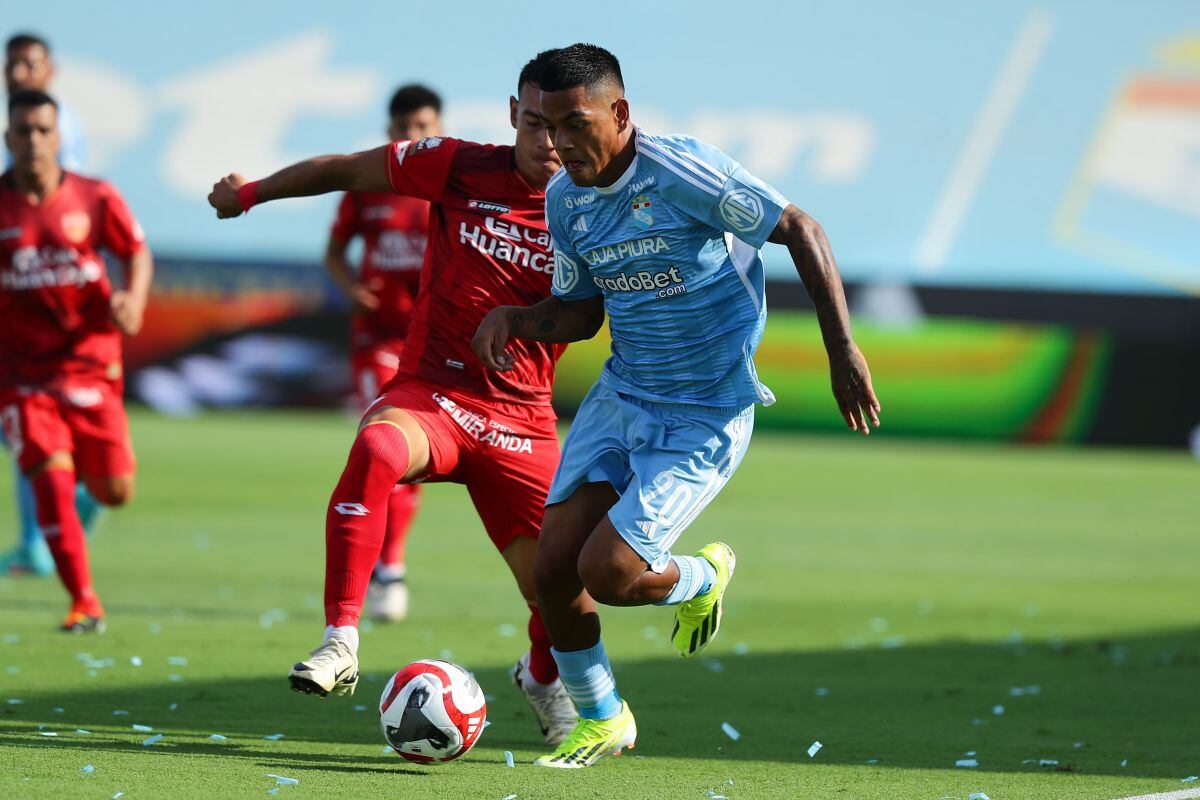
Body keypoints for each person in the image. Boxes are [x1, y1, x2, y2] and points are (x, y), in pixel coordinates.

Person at [472, 43, 882, 768]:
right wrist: (518, 316)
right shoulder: (566, 200)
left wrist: (842, 351)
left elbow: (803, 231)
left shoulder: (683, 170)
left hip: (704, 412)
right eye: (545, 126)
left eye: (575, 123)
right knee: (553, 569)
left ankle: (703, 576)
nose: (560, 144)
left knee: (613, 574)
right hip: (623, 395)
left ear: (620, 113)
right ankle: (603, 718)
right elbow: (579, 312)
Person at [207, 53, 577, 745]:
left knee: (561, 589)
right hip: (434, 393)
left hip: (521, 419)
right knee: (377, 445)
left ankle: (542, 676)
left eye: (560, 128)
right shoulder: (459, 165)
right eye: (533, 124)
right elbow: (346, 169)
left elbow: (594, 313)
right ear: (512, 117)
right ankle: (341, 642)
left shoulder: (595, 206)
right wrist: (251, 192)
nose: (547, 142)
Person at [0, 89, 152, 632]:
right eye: (23, 131)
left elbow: (135, 252)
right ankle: (84, 600)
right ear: (8, 139)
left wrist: (131, 300)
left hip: (91, 364)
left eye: (43, 131)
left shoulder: (94, 197)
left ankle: (90, 497)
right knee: (49, 474)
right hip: (22, 375)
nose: (34, 141)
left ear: (59, 137)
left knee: (115, 490)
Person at [324, 84, 443, 622]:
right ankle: (388, 570)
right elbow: (333, 253)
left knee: (410, 463)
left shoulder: (451, 188)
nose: (413, 137)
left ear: (437, 128)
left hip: (432, 343)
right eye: (404, 128)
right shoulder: (369, 187)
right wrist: (351, 287)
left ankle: (388, 566)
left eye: (424, 127)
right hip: (377, 340)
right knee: (385, 445)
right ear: (389, 132)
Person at [1, 31, 95, 577]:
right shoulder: (14, 126)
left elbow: (69, 208)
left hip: (49, 296)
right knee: (28, 422)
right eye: (11, 65)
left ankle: (50, 530)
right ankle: (52, 525)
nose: (18, 74)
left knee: (35, 419)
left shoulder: (54, 129)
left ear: (49, 71)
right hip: (19, 293)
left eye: (29, 65)